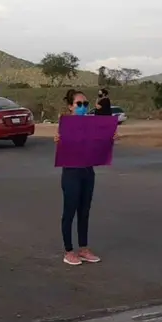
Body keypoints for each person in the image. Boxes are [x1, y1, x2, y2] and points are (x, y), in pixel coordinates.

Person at [55, 89, 104, 265]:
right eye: (79, 104)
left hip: (88, 171)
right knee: (70, 212)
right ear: (70, 106)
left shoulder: (92, 125)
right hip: (71, 173)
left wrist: (110, 138)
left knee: (84, 212)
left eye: (85, 104)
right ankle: (69, 251)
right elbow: (64, 147)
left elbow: (99, 146)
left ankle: (83, 248)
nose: (83, 107)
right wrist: (59, 141)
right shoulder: (65, 125)